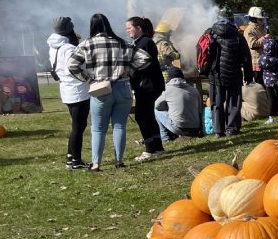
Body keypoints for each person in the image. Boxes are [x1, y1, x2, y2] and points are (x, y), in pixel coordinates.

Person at [68, 13, 151, 170]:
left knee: (98, 128)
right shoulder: (122, 42)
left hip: (100, 89)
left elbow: (72, 65)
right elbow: (145, 58)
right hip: (123, 88)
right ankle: (119, 161)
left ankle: (96, 163)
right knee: (119, 126)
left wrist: (88, 79)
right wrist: (129, 70)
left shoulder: (86, 44)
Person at [47, 16, 91, 170]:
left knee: (76, 126)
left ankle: (70, 156)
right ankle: (76, 161)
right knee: (79, 127)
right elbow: (75, 68)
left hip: (66, 89)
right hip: (78, 89)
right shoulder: (69, 49)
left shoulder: (54, 47)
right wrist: (89, 78)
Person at [207, 6, 253, 137]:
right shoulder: (238, 35)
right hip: (233, 73)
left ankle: (218, 130)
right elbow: (246, 57)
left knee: (216, 102)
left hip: (215, 74)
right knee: (233, 102)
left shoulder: (210, 33)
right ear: (232, 19)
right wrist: (249, 76)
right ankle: (232, 128)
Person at [125, 16, 166, 160]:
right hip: (149, 85)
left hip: (148, 86)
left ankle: (149, 150)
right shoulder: (141, 42)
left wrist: (128, 70)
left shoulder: (145, 42)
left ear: (138, 28)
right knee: (148, 115)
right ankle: (158, 147)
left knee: (141, 116)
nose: (127, 30)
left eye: (129, 28)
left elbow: (143, 62)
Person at [154, 66, 203, 141]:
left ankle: (164, 136)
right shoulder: (194, 90)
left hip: (180, 128)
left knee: (156, 111)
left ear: (169, 78)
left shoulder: (167, 89)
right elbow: (200, 109)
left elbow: (156, 106)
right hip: (196, 127)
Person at [244, 7, 267, 84]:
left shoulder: (262, 28)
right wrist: (264, 39)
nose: (262, 21)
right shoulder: (249, 30)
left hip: (264, 61)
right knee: (259, 84)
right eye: (260, 19)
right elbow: (252, 44)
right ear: (254, 19)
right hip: (256, 62)